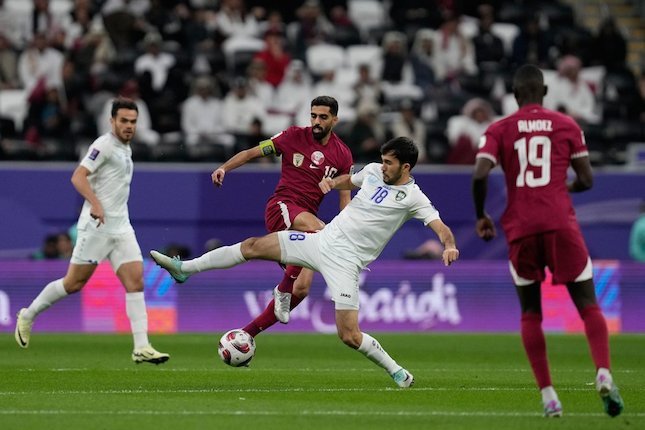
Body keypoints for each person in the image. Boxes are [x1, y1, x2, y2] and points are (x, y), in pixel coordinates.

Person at [151, 137, 459, 387]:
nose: (384, 166)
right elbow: (349, 181)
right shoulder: (375, 172)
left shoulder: (414, 197)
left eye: (390, 163)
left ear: (406, 166)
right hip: (320, 242)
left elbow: (440, 226)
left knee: (349, 335)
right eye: (384, 160)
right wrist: (331, 184)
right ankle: (184, 269)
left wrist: (449, 245)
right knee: (254, 245)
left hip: (346, 263)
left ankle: (398, 373)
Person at [472, 64, 624, 418]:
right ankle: (603, 372)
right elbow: (587, 180)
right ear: (543, 93)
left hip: (521, 228)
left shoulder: (499, 128)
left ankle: (549, 396)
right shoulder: (567, 125)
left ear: (514, 95)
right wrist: (562, 188)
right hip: (560, 224)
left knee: (530, 312)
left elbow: (480, 173)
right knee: (588, 304)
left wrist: (481, 215)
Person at [14, 97, 169, 365]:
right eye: (123, 121)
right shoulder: (104, 145)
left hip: (121, 227)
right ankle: (28, 315)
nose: (129, 126)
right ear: (112, 121)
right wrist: (96, 204)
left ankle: (141, 347)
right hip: (96, 226)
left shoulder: (125, 148)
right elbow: (78, 176)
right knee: (73, 283)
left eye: (133, 121)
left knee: (136, 282)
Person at [212, 95, 354, 335]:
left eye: (323, 117)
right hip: (282, 206)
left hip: (304, 221)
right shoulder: (292, 136)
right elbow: (251, 153)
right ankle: (282, 289)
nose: (316, 121)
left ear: (335, 120)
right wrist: (224, 168)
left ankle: (248, 333)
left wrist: (348, 234)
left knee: (302, 289)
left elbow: (345, 199)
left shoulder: (343, 154)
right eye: (313, 116)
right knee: (321, 230)